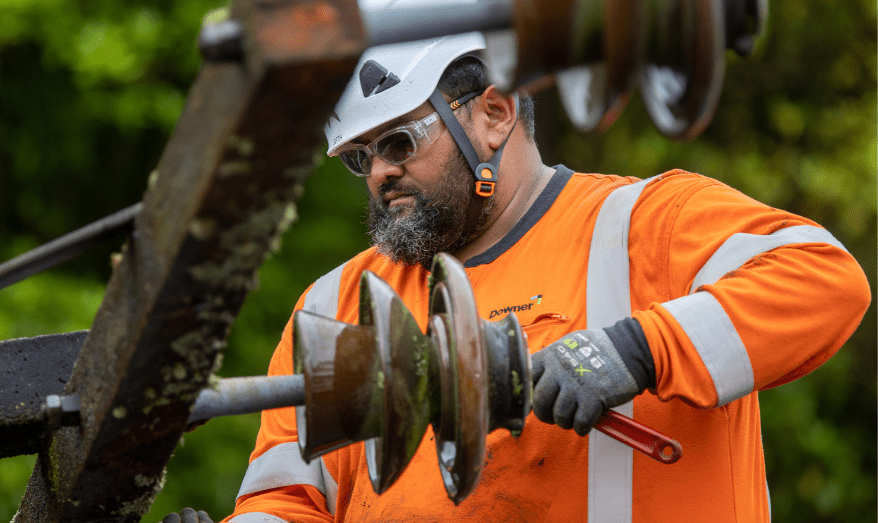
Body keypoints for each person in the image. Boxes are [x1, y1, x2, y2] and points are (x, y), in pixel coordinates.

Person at [216, 32, 870, 523]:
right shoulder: (336, 305)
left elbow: (825, 279)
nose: (380, 171)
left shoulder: (639, 225)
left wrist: (637, 350)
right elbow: (287, 498)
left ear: (494, 114)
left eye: (400, 142)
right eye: (361, 157)